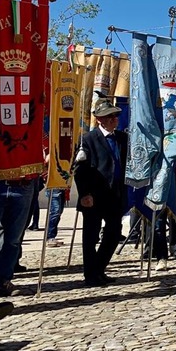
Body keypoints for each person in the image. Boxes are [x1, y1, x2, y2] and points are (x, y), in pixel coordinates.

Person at [72, 98, 129, 287]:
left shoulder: (122, 138)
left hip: (115, 195)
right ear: (99, 119)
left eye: (115, 116)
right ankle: (91, 274)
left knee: (113, 234)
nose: (114, 119)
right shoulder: (88, 139)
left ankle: (99, 268)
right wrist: (84, 193)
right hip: (94, 196)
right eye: (109, 116)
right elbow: (80, 169)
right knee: (91, 236)